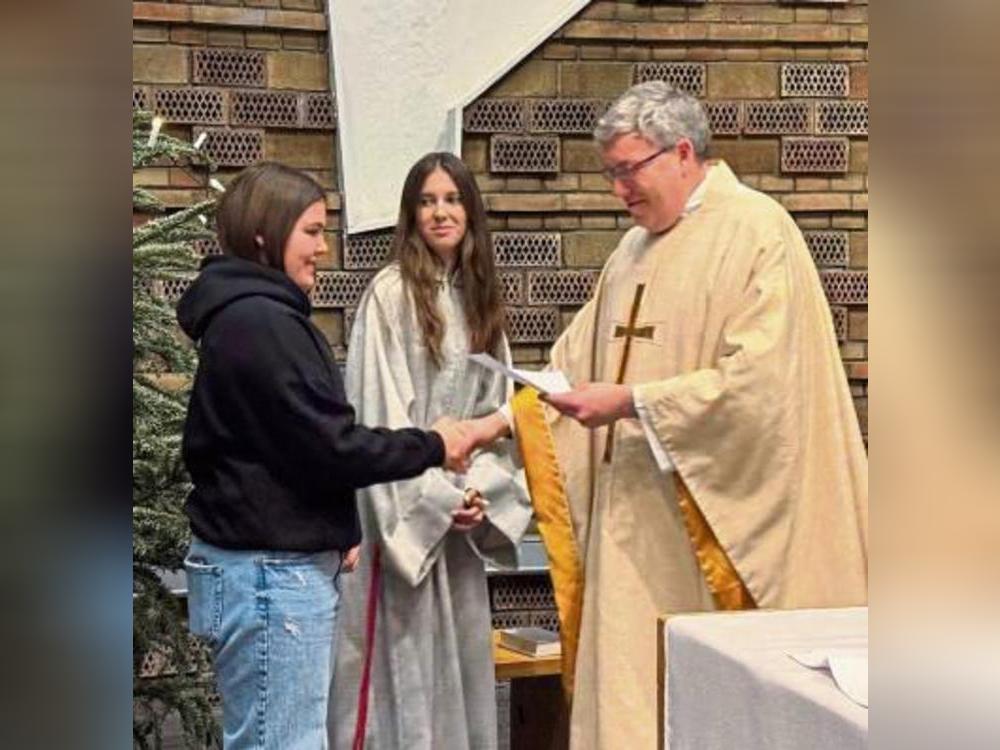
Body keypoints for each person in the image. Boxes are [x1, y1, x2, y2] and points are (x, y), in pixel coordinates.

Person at [475, 81, 869, 749]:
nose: (618, 190)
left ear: (681, 152)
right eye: (610, 174)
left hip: (717, 531)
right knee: (629, 707)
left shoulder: (758, 232)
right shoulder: (630, 253)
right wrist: (495, 424)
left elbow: (764, 387)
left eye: (628, 170)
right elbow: (570, 368)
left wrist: (632, 402)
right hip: (630, 535)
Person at [177, 161, 478, 749]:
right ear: (267, 232)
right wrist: (437, 443)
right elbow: (333, 445)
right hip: (270, 577)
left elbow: (283, 449)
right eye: (312, 231)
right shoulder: (261, 322)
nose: (323, 247)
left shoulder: (252, 315)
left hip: (269, 565)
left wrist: (332, 524)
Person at [329, 152, 532, 750]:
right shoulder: (389, 296)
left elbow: (502, 414)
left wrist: (477, 496)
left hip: (459, 525)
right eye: (427, 201)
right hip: (408, 523)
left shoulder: (482, 300)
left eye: (451, 199)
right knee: (404, 670)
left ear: (470, 210)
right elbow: (378, 415)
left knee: (461, 676)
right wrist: (442, 496)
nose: (440, 212)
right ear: (411, 215)